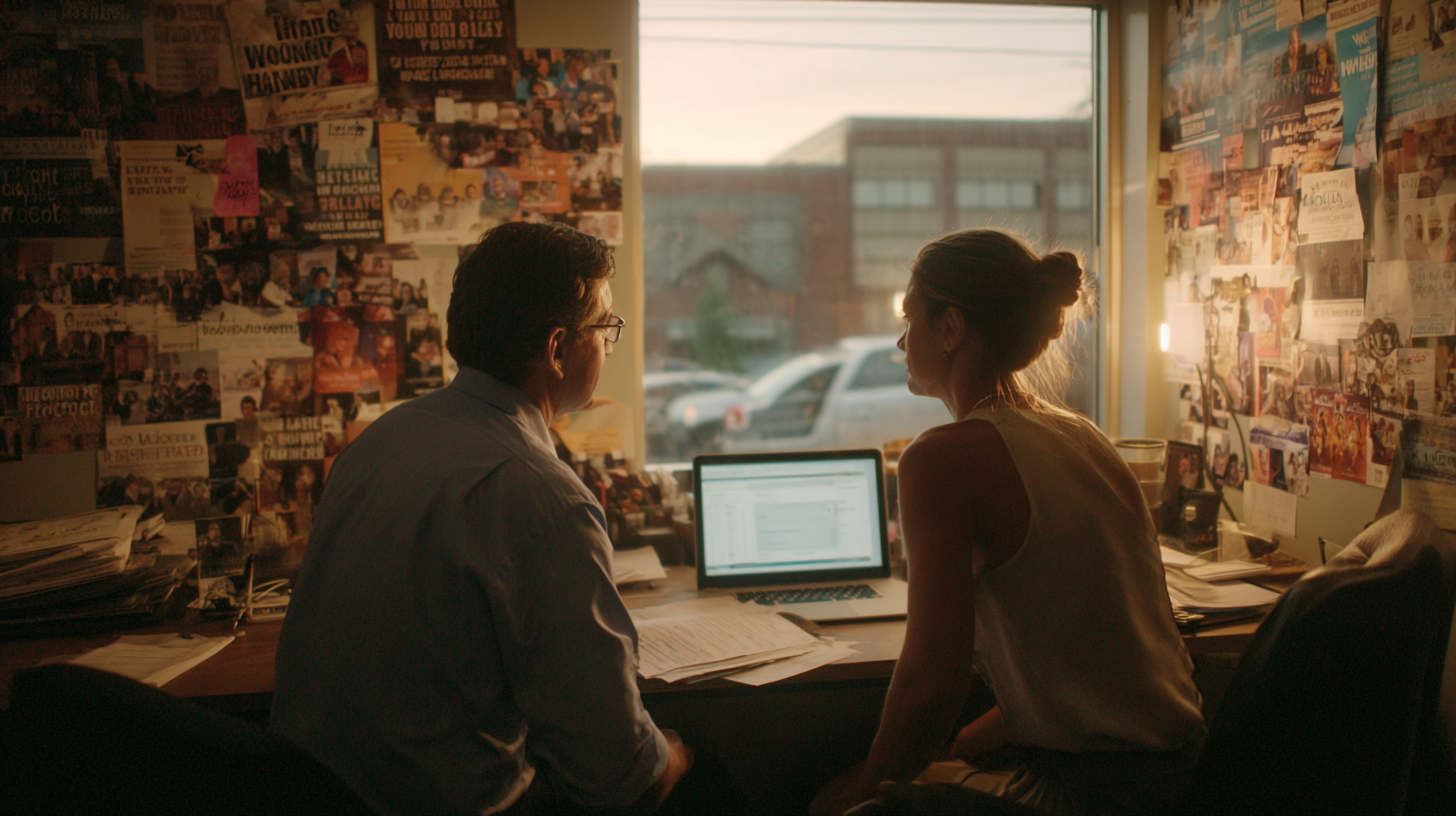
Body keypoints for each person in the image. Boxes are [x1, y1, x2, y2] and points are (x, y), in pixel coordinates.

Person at [271, 222, 708, 816]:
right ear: (557, 349)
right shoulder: (545, 499)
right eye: (606, 328)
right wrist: (674, 756)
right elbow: (616, 774)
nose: (609, 346)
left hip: (311, 791)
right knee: (708, 776)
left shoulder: (380, 439)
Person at [811, 229, 1204, 816]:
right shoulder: (1085, 437)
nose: (900, 340)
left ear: (950, 328)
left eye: (910, 318)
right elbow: (1087, 672)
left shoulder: (941, 458)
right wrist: (957, 750)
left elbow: (932, 685)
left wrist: (864, 790)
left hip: (1088, 797)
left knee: (826, 798)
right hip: (1179, 777)